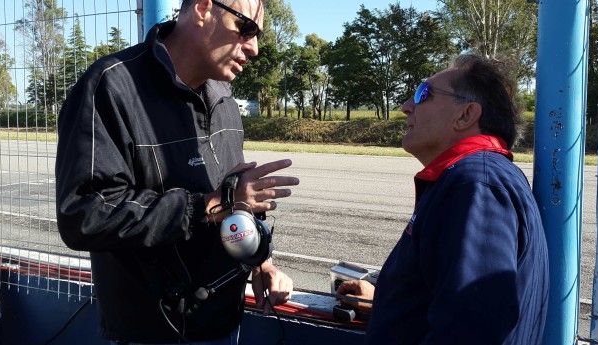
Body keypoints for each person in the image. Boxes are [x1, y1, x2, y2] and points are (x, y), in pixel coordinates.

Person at [55, 0, 299, 344]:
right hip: (150, 332)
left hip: (225, 324)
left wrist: (261, 262)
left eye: (257, 35)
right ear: (202, 8)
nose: (254, 48)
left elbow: (234, 203)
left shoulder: (224, 99)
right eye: (245, 29)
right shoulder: (110, 87)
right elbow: (84, 214)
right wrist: (208, 205)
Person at [337, 54, 549, 344]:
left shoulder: (476, 184)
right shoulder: (477, 178)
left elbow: (471, 328)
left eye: (423, 94)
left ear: (466, 115)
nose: (406, 107)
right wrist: (388, 300)